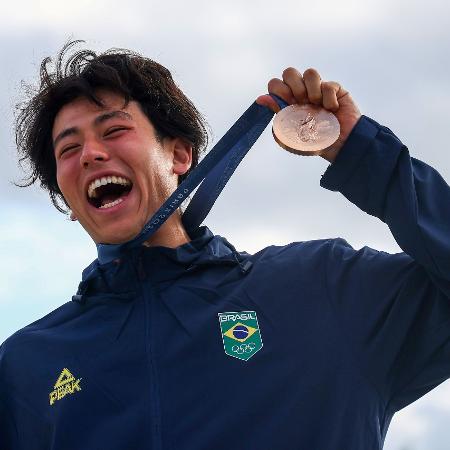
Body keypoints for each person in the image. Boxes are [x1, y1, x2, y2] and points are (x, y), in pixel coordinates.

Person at [1, 41, 449, 450]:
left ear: (179, 156)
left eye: (114, 130)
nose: (90, 154)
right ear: (70, 203)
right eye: (68, 149)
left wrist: (365, 154)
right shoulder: (25, 367)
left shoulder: (322, 289)